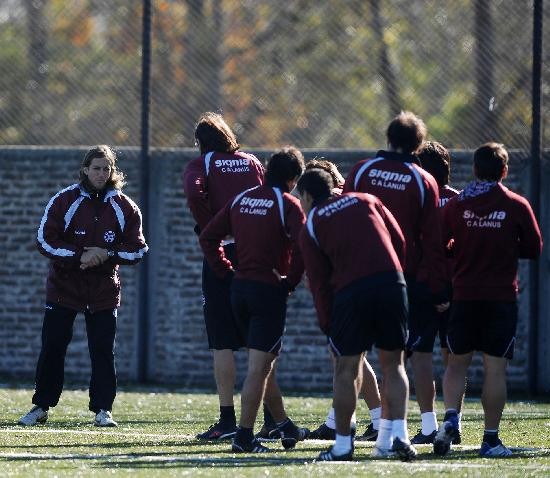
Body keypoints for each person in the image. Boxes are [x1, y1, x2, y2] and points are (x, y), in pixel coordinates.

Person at [18, 145, 148, 427]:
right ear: (85, 170)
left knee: (102, 350)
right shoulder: (64, 201)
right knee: (53, 347)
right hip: (63, 289)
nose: (101, 174)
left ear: (112, 172)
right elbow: (44, 240)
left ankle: (103, 410)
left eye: (106, 169)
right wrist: (81, 255)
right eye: (96, 168)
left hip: (103, 292)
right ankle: (41, 406)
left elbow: (138, 250)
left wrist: (107, 253)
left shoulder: (125, 206)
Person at [343, 112, 449, 447]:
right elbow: (432, 242)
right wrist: (439, 288)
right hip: (402, 281)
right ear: (418, 144)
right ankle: (391, 438)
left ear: (388, 138)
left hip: (357, 277)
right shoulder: (423, 180)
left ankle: (343, 442)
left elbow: (341, 217)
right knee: (395, 362)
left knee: (348, 362)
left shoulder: (361, 170)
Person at [297, 169, 416, 461]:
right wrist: (396, 276)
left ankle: (342, 446)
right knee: (394, 364)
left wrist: (328, 323)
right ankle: (399, 435)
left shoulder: (311, 223)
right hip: (391, 282)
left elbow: (319, 282)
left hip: (352, 292)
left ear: (308, 196)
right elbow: (398, 240)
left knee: (346, 368)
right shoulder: (366, 199)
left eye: (299, 198)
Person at [434, 143, 542, 457]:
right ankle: (490, 440)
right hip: (500, 298)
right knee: (495, 370)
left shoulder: (458, 205)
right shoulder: (515, 203)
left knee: (456, 364)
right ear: (505, 171)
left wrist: (460, 251)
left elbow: (441, 246)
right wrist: (507, 248)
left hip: (464, 296)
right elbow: (534, 248)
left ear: (475, 169)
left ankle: (451, 417)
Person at [199, 146, 308, 453]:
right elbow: (302, 247)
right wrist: (290, 281)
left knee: (262, 360)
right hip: (266, 291)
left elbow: (208, 236)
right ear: (293, 179)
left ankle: (283, 423)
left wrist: (224, 269)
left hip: (238, 290)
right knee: (259, 367)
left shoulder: (241, 199)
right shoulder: (287, 203)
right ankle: (244, 437)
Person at [183, 112, 265, 440]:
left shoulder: (201, 164)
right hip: (254, 253)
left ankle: (228, 419)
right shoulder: (252, 162)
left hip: (221, 251)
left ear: (201, 142)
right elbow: (267, 196)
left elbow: (193, 193)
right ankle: (273, 418)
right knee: (260, 340)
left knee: (222, 342)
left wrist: (210, 227)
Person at [304, 159, 382, 443]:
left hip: (346, 288)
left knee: (349, 359)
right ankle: (340, 420)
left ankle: (373, 420)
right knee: (349, 358)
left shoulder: (327, 207)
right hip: (364, 283)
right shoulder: (351, 200)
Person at [407, 141, 462, 445]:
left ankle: (430, 425)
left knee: (421, 357)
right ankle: (452, 420)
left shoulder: (418, 201)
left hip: (425, 288)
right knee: (452, 358)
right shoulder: (457, 200)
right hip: (452, 288)